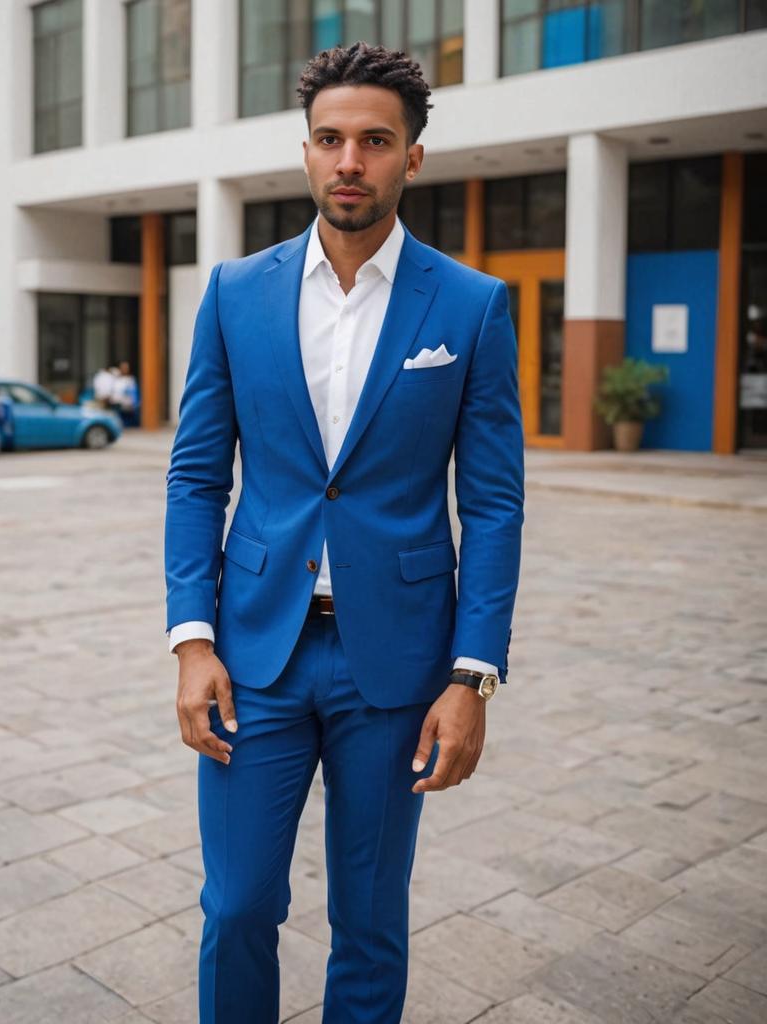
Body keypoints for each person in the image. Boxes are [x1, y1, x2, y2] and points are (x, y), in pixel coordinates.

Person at [164, 43, 524, 1023]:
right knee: (236, 905)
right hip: (254, 653)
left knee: (369, 917)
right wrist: (191, 638)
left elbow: (491, 502)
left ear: (413, 156)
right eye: (330, 139)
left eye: (373, 140)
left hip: (397, 667)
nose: (348, 160)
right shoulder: (237, 293)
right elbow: (198, 476)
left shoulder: (469, 305)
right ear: (307, 152)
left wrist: (471, 674)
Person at [110, 360, 139, 426]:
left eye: (126, 368)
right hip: (118, 405)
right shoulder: (115, 380)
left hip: (129, 407)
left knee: (131, 423)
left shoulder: (131, 379)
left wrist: (135, 403)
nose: (125, 369)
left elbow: (134, 393)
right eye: (123, 367)